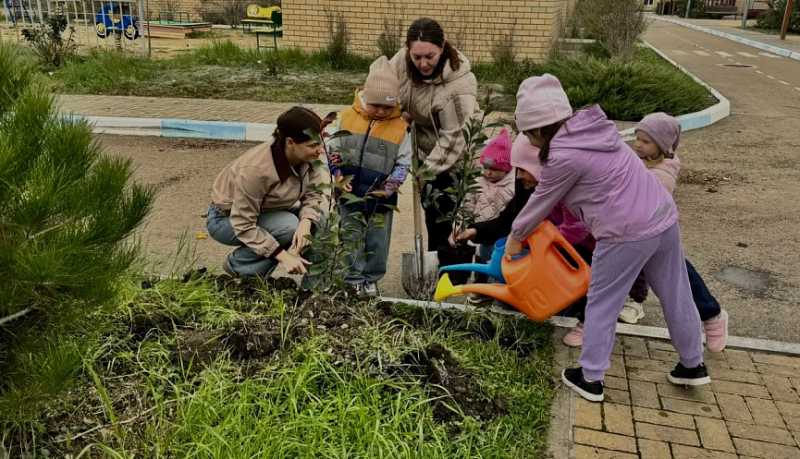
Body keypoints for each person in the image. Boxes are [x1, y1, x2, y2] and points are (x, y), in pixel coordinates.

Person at [508, 74, 709, 402]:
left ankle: (591, 377)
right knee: (677, 293)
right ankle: (693, 364)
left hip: (624, 232)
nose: (530, 141)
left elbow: (542, 199)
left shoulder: (563, 155)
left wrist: (516, 236)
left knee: (602, 302)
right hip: (662, 215)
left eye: (529, 134)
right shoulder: (596, 130)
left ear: (539, 128)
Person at [631, 112, 728, 352]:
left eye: (645, 141)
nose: (638, 144)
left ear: (662, 145)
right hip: (634, 234)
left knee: (681, 276)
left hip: (656, 235)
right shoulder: (641, 160)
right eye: (637, 138)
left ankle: (712, 316)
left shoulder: (662, 174)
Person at [389, 17, 479, 262]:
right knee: (432, 215)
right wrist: (399, 112)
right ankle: (434, 266)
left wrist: (424, 173)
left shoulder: (459, 85)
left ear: (442, 47)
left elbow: (455, 137)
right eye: (417, 57)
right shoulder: (402, 62)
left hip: (456, 158)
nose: (423, 63)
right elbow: (383, 86)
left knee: (449, 219)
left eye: (430, 56)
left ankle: (452, 273)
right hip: (425, 148)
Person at [207, 106, 330, 279]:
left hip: (267, 212)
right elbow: (243, 224)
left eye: (321, 142)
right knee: (288, 226)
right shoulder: (256, 170)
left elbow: (313, 193)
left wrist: (306, 221)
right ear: (290, 142)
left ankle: (314, 286)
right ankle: (241, 267)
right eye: (313, 145)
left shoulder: (307, 157)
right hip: (227, 219)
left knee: (320, 220)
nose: (320, 150)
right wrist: (284, 256)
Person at [324, 56, 412, 297]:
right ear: (365, 97)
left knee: (377, 240)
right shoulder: (346, 118)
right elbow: (332, 150)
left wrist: (390, 187)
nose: (381, 111)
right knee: (350, 236)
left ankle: (371, 278)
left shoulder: (400, 128)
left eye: (388, 107)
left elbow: (404, 162)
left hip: (381, 197)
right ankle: (352, 278)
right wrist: (338, 176)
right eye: (376, 105)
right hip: (348, 192)